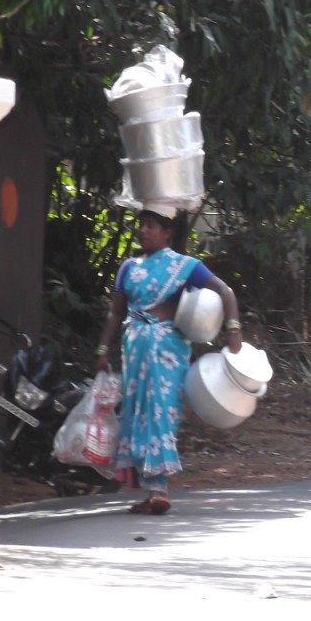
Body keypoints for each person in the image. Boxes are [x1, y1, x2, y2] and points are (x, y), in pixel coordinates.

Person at [94, 203, 243, 514]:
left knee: (162, 411)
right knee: (136, 413)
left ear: (168, 232)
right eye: (142, 225)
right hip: (134, 348)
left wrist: (233, 332)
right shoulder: (129, 268)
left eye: (151, 226)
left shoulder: (186, 266)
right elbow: (116, 312)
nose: (144, 231)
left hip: (168, 349)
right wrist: (102, 350)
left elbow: (225, 292)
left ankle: (159, 487)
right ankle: (149, 492)